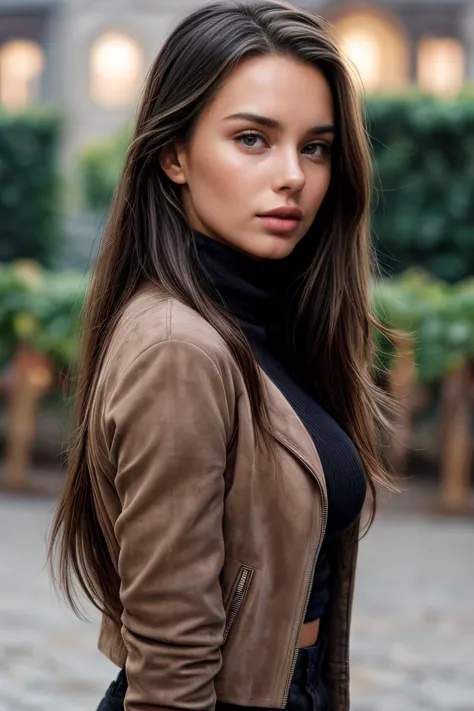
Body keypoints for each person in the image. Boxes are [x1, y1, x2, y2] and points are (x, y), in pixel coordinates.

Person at [49, 1, 396, 710]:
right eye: (252, 139)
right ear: (173, 154)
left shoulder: (266, 325)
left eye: (316, 147)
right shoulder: (180, 350)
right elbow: (171, 669)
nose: (293, 175)